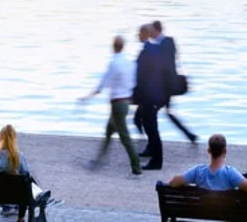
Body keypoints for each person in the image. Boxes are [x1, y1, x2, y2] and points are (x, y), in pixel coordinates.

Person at [80, 35, 142, 176]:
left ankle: (136, 167)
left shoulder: (114, 63)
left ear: (113, 46)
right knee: (109, 131)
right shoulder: (130, 63)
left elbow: (104, 83)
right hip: (126, 102)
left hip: (117, 105)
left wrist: (88, 96)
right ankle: (99, 160)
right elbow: (133, 83)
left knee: (124, 136)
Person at [151, 20, 197, 144]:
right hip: (167, 85)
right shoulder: (169, 42)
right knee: (166, 113)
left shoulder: (163, 44)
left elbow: (164, 66)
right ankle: (189, 135)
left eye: (151, 31)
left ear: (156, 30)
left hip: (166, 86)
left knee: (150, 114)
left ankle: (152, 143)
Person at [168, 134, 247, 192]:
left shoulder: (198, 171)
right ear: (225, 151)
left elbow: (173, 182)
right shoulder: (230, 173)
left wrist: (186, 184)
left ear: (209, 151)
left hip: (203, 212)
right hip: (227, 212)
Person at [133, 23, 168, 170]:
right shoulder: (151, 50)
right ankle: (151, 151)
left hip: (150, 96)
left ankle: (156, 161)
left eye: (139, 33)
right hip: (149, 95)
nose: (137, 36)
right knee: (147, 123)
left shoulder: (149, 51)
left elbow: (146, 75)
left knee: (152, 128)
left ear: (145, 35)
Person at [0, 125, 31, 220]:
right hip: (16, 193)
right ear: (14, 138)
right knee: (24, 183)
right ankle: (14, 206)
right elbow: (26, 175)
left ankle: (7, 206)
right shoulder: (19, 157)